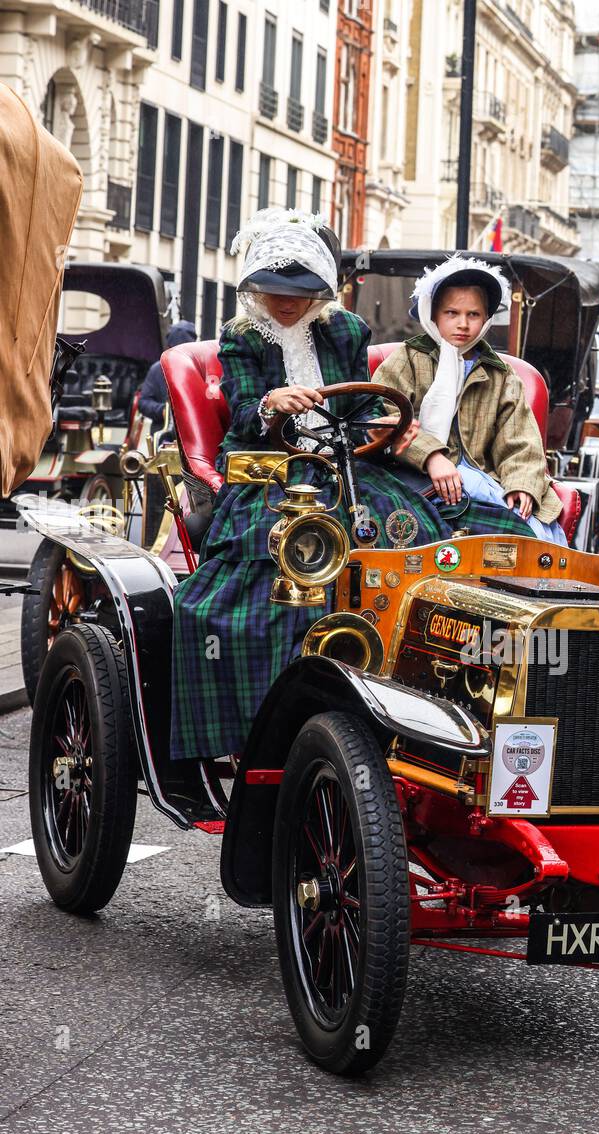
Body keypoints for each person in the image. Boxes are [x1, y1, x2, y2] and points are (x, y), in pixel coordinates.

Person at [170, 214, 531, 762]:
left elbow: (363, 407)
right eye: (273, 292)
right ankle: (281, 718)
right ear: (255, 288)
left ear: (320, 291)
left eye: (299, 293)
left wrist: (396, 432)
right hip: (272, 470)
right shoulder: (243, 337)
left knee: (451, 527)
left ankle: (442, 690)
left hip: (347, 464)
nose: (285, 303)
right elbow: (242, 414)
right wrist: (272, 404)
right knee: (293, 557)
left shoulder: (346, 331)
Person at [371, 255, 565, 543]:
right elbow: (383, 417)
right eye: (452, 313)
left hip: (484, 479)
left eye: (473, 315)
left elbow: (521, 441)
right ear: (433, 314)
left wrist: (520, 484)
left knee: (536, 532)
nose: (463, 324)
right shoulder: (408, 360)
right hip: (412, 475)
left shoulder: (500, 374)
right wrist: (431, 456)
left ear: (486, 320)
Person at [137, 320, 197, 432]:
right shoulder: (157, 369)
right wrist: (163, 411)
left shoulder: (199, 369)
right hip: (162, 431)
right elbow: (143, 402)